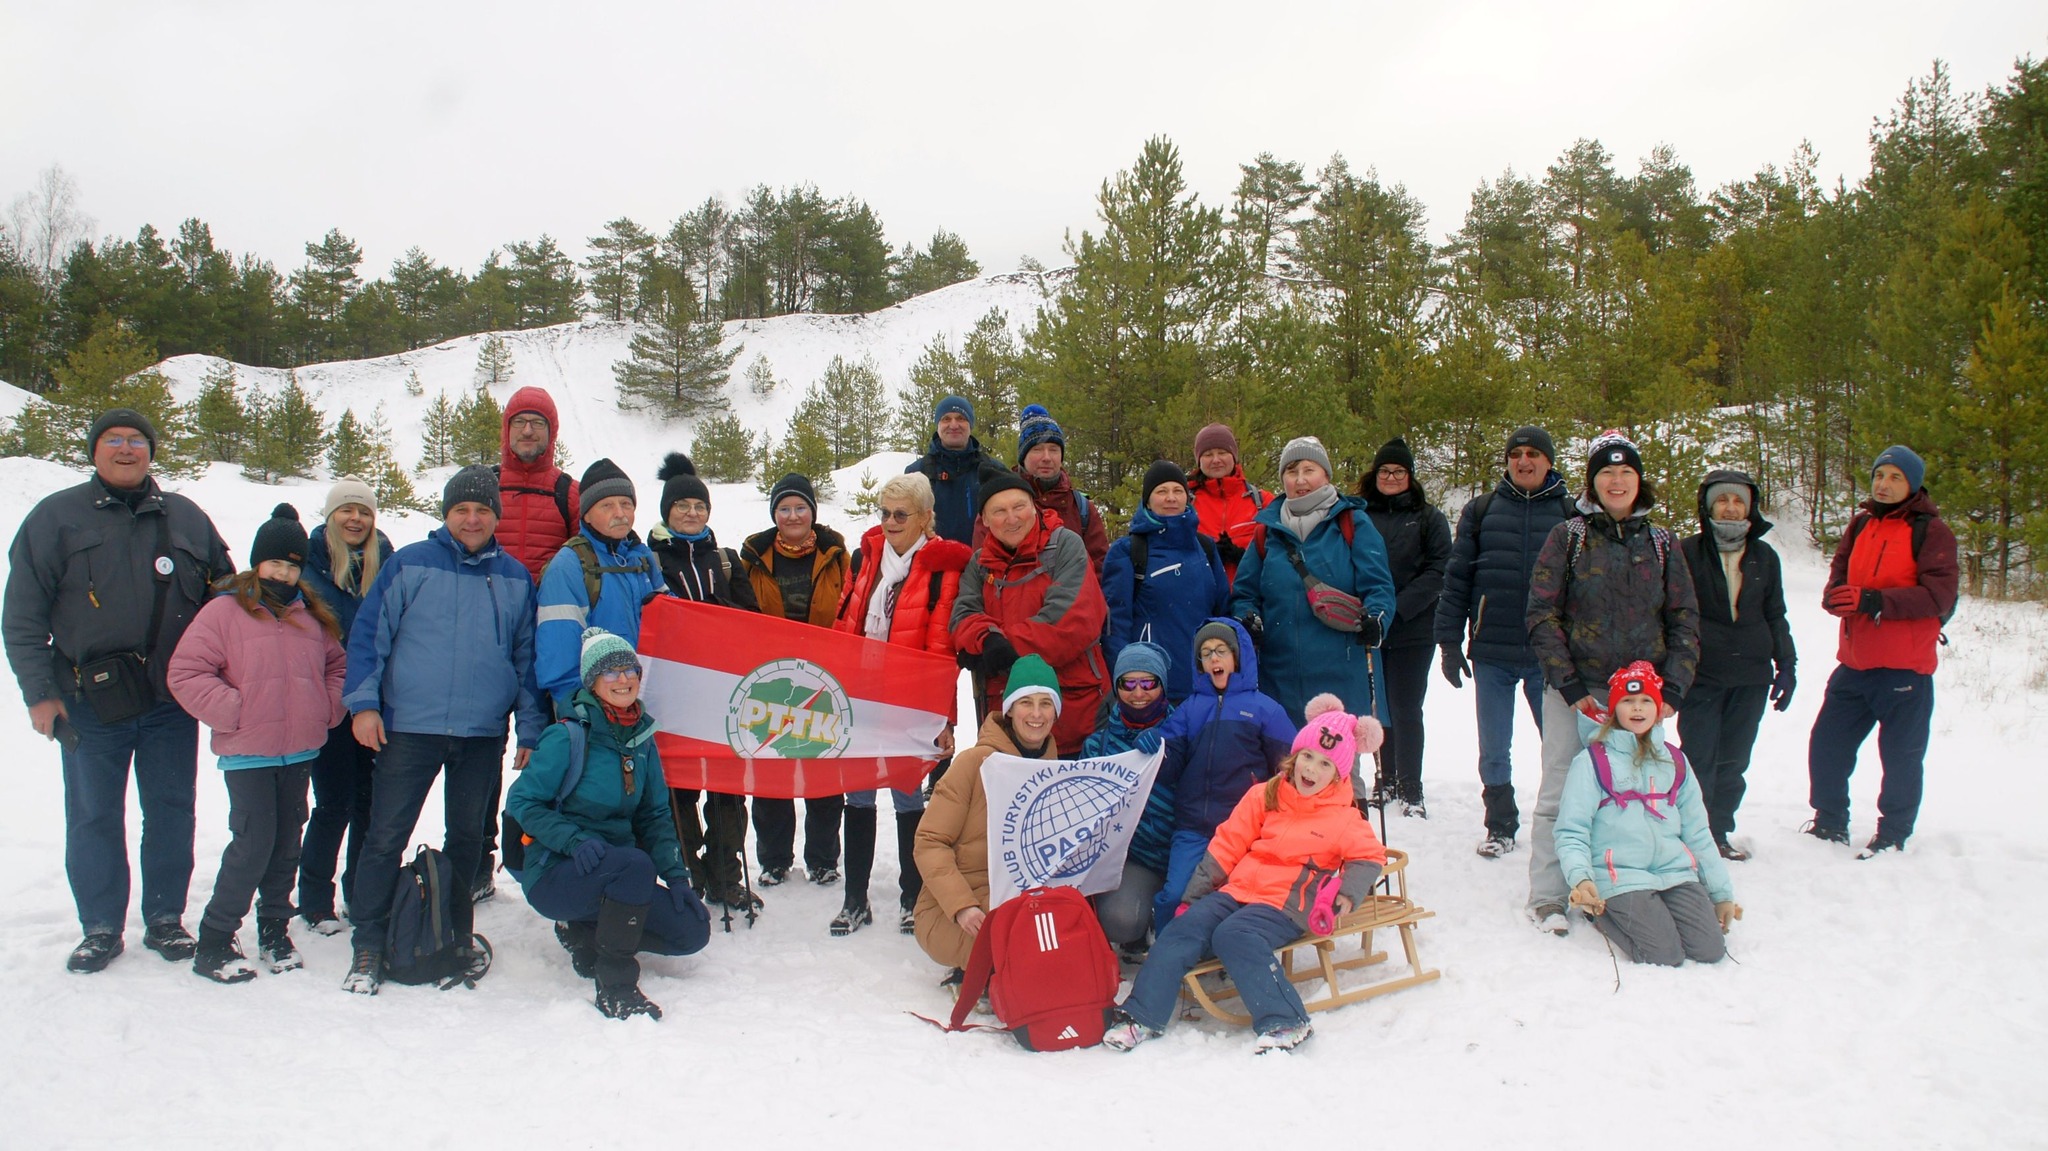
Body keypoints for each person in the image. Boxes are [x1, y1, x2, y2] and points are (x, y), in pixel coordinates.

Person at [3, 408, 235, 973]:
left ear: (151, 452)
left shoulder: (186, 517)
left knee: (172, 811)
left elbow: (226, 601)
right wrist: (40, 693)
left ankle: (164, 919)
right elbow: (23, 616)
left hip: (169, 701)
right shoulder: (56, 518)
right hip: (89, 701)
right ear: (95, 450)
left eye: (137, 440)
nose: (126, 449)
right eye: (114, 440)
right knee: (93, 815)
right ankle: (101, 926)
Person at [338, 466, 547, 994]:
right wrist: (364, 705)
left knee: (467, 839)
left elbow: (527, 657)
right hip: (410, 728)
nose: (472, 519)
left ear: (495, 515)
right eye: (461, 510)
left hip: (481, 732)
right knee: (385, 835)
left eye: (481, 510)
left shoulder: (516, 577)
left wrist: (529, 727)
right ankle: (368, 942)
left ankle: (452, 936)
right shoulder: (410, 564)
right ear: (447, 514)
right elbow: (369, 637)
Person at [1103, 695, 1388, 1055]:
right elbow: (1227, 845)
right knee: (1182, 928)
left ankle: (1286, 1021)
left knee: (1234, 935)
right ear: (1295, 755)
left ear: (1338, 775)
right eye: (1308, 757)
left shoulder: (1343, 817)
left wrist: (1346, 894)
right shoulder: (1265, 794)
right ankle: (1140, 1016)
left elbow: (1368, 857)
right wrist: (1193, 899)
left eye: (1325, 765)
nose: (1311, 770)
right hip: (1239, 890)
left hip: (1285, 904)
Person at [1525, 430, 1699, 936]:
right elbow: (1541, 613)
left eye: (1625, 472)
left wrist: (1675, 691)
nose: (1616, 481)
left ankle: (1632, 880)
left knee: (1641, 792)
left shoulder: (1663, 543)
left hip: (1642, 698)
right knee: (1562, 789)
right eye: (1606, 472)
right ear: (1592, 482)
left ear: (1638, 480)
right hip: (1576, 691)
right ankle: (1551, 894)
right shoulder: (1569, 537)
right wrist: (1569, 685)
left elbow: (1684, 617)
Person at [166, 505, 347, 983]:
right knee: (253, 843)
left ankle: (274, 929)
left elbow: (338, 667)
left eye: (292, 565)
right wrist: (235, 710)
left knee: (288, 843)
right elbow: (185, 673)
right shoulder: (224, 611)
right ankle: (215, 938)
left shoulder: (311, 617)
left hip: (300, 749)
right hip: (248, 751)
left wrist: (326, 708)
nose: (284, 573)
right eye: (275, 564)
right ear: (256, 563)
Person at [504, 627, 711, 1020]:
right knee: (634, 864)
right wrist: (575, 840)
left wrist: (679, 878)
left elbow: (654, 817)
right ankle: (615, 985)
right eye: (610, 672)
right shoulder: (567, 737)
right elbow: (522, 801)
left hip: (618, 875)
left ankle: (585, 932)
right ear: (593, 682)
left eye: (629, 670)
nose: (623, 679)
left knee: (692, 931)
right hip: (557, 871)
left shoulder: (642, 741)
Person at [829, 472, 971, 936]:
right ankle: (855, 898)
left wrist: (944, 718)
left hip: (909, 701)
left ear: (926, 518)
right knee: (859, 796)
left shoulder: (944, 569)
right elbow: (844, 621)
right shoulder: (864, 557)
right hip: (860, 696)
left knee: (908, 796)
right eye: (884, 512)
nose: (890, 522)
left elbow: (943, 652)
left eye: (900, 514)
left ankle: (912, 896)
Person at [1806, 446, 1958, 859]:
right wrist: (1834, 597)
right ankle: (1829, 822)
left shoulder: (1932, 531)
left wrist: (1873, 601)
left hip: (1905, 668)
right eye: (1879, 476)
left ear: (1912, 483)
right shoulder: (1861, 524)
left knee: (1901, 759)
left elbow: (1939, 596)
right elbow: (1840, 572)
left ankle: (1893, 833)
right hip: (1855, 663)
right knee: (1827, 746)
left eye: (1894, 477)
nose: (1884, 485)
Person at [1432, 426, 1575, 859]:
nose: (1524, 461)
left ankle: (1567, 825)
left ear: (1549, 462)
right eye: (1516, 454)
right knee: (1494, 747)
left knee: (1561, 746)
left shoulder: (1572, 513)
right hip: (1492, 650)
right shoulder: (1482, 510)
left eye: (1534, 454)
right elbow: (1457, 579)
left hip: (1550, 656)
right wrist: (1449, 642)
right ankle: (1501, 824)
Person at [1554, 663, 1741, 966]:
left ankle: (1663, 913)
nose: (1637, 709)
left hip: (1674, 872)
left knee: (1710, 950)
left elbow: (1697, 832)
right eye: (1628, 702)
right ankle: (1597, 915)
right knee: (1665, 955)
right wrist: (1581, 878)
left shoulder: (1675, 760)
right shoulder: (1592, 762)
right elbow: (1571, 830)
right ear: (1615, 710)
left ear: (1659, 708)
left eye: (1646, 701)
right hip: (1620, 876)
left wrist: (1721, 894)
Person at [646, 453, 761, 912]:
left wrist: (717, 623)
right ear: (666, 510)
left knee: (728, 790)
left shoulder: (727, 560)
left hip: (723, 695)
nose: (691, 513)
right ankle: (688, 872)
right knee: (679, 791)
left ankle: (725, 874)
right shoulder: (648, 557)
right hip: (671, 697)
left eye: (699, 505)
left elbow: (754, 622)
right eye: (682, 506)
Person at [1151, 619, 1317, 934]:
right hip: (1193, 828)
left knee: (1234, 897)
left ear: (1236, 656)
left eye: (1221, 650)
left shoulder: (1264, 709)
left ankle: (1226, 953)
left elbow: (1290, 769)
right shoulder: (1189, 709)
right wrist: (1152, 748)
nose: (1213, 658)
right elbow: (1168, 768)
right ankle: (1167, 952)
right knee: (1175, 894)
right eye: (1205, 653)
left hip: (1247, 832)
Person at [1227, 435, 1397, 741]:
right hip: (1279, 677)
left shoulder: (1351, 523)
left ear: (1326, 475)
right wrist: (1248, 618)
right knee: (1284, 773)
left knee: (1337, 775)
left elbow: (1379, 586)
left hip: (1340, 675)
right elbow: (1245, 592)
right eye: (1291, 472)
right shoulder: (1267, 531)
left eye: (1309, 469)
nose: (1300, 480)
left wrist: (1377, 620)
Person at [911, 655, 1061, 978]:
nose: (1036, 714)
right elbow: (929, 842)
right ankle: (983, 971)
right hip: (952, 908)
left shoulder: (1056, 774)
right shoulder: (973, 765)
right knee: (1022, 947)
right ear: (1009, 709)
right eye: (1026, 703)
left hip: (1018, 903)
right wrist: (962, 906)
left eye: (1045, 704)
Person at [1677, 470, 1797, 861]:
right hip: (1700, 674)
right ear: (1708, 505)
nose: (1730, 508)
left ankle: (1718, 832)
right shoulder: (1686, 552)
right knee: (1697, 759)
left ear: (1749, 507)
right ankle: (1688, 835)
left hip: (1751, 676)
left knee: (1733, 760)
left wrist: (1787, 665)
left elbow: (1775, 614)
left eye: (1738, 501)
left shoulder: (1765, 556)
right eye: (1722, 500)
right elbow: (1669, 613)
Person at [739, 473, 850, 886]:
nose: (792, 515)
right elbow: (741, 613)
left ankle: (823, 858)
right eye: (784, 508)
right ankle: (774, 859)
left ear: (813, 512)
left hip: (824, 676)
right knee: (771, 769)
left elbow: (849, 607)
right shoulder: (753, 555)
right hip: (769, 677)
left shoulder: (836, 554)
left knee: (823, 769)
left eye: (800, 507)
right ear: (774, 514)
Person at [294, 478, 394, 934]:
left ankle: (360, 893)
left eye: (365, 512)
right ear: (330, 515)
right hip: (328, 703)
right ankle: (315, 900)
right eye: (346, 510)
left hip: (374, 701)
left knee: (369, 804)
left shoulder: (386, 562)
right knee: (333, 801)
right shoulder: (306, 564)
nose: (356, 519)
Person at [953, 469, 1110, 752]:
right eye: (999, 511)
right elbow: (963, 615)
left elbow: (1070, 622)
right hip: (1005, 718)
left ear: (1034, 508)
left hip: (1073, 717)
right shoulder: (980, 563)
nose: (1012, 518)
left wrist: (1000, 647)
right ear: (985, 520)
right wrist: (986, 640)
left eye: (1019, 507)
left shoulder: (1065, 546)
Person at [1358, 437, 1450, 818]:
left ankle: (1412, 786)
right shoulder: (1361, 516)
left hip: (1413, 627)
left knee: (1407, 706)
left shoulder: (1429, 518)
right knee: (1379, 707)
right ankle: (1386, 777)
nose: (1391, 477)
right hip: (1370, 627)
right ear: (1374, 476)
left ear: (1410, 477)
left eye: (1398, 471)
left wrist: (1400, 607)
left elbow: (1440, 569)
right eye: (1385, 471)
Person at [534, 458, 662, 716]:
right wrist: (582, 712)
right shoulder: (570, 566)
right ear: (587, 514)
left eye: (626, 504)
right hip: (593, 712)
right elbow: (559, 655)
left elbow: (668, 627)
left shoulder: (643, 558)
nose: (620, 513)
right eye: (607, 505)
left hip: (641, 705)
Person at [1103, 460, 1230, 705]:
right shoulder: (1128, 551)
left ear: (1187, 497)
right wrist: (1127, 683)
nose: (1171, 498)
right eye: (1161, 492)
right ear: (1147, 501)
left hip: (1204, 683)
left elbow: (1222, 611)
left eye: (1177, 491)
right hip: (1150, 687)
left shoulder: (1205, 547)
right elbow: (1115, 626)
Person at [1081, 641, 1177, 951]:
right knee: (1120, 920)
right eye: (1128, 683)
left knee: (1196, 921)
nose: (1138, 693)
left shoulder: (1187, 731)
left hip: (1185, 850)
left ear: (1162, 685)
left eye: (1148, 682)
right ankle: (1139, 925)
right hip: (1137, 859)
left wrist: (1173, 748)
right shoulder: (1098, 746)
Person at [982, 403, 1108, 569]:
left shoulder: (1082, 507)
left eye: (1054, 449)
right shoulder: (997, 502)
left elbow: (1101, 567)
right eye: (1037, 449)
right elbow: (984, 566)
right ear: (1023, 457)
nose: (1047, 457)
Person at [493, 386, 580, 584]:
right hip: (489, 609)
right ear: (507, 428)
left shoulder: (570, 493)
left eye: (538, 423)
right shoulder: (486, 486)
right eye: (519, 421)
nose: (527, 430)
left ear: (552, 431)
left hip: (548, 609)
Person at [1187, 422, 1271, 582]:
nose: (1216, 460)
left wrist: (1245, 558)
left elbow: (1279, 555)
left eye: (1222, 452)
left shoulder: (1262, 502)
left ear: (1234, 456)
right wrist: (1206, 556)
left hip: (1251, 601)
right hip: (1202, 602)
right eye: (1208, 454)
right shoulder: (1184, 505)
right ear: (1199, 460)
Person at [904, 394, 989, 544]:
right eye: (946, 419)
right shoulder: (916, 473)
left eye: (961, 418)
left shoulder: (992, 470)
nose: (954, 425)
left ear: (970, 425)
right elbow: (905, 526)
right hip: (931, 562)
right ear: (938, 425)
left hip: (981, 563)